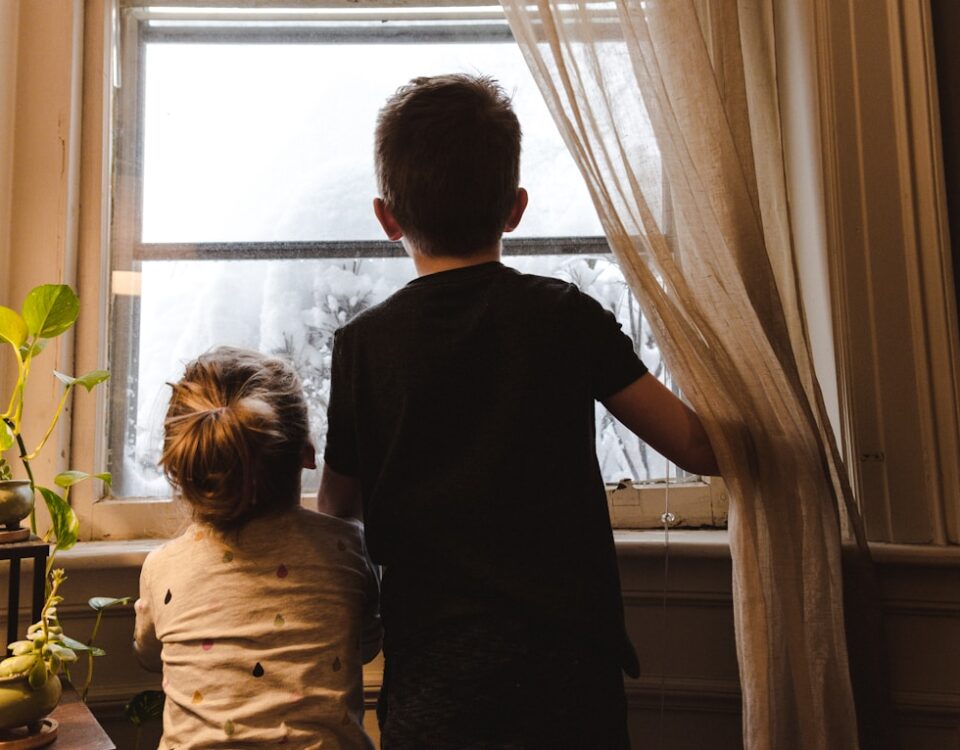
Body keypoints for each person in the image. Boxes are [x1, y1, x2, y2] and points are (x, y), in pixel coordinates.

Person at [318, 74, 719, 749]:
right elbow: (699, 448)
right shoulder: (563, 314)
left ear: (387, 218)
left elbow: (338, 510)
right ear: (515, 207)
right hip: (568, 679)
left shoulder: (362, 346)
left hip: (432, 685)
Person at [134, 347, 381, 750]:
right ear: (307, 453)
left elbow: (147, 654)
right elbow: (367, 645)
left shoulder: (163, 569)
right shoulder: (348, 550)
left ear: (184, 471)